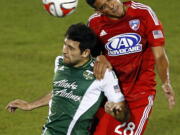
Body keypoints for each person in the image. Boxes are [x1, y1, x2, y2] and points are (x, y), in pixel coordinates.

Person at [6, 23, 129, 135]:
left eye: (71, 48)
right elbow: (60, 91)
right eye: (65, 45)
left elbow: (123, 114)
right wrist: (30, 105)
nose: (65, 51)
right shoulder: (59, 62)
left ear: (85, 53)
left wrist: (115, 110)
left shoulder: (102, 73)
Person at [85, 0, 176, 135]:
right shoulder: (94, 23)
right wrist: (98, 56)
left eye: (110, 0)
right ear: (98, 11)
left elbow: (159, 55)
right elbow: (87, 53)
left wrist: (166, 82)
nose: (111, 6)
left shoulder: (143, 13)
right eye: (104, 6)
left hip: (139, 94)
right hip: (109, 93)